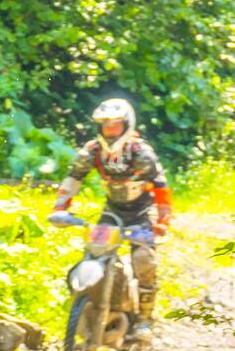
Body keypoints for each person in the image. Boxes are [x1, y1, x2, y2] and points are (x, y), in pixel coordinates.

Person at [52, 98, 173, 338]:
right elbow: (74, 178)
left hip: (141, 213)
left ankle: (145, 320)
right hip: (112, 212)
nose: (110, 130)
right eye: (105, 125)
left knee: (143, 259)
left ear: (126, 125)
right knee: (94, 253)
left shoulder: (141, 152)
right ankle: (91, 305)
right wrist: (59, 208)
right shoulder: (92, 151)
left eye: (115, 125)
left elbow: (161, 187)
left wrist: (162, 221)